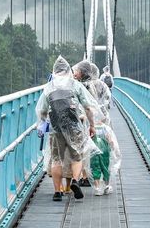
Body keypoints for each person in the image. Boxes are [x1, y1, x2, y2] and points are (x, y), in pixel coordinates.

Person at [36, 56, 99, 201]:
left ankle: (57, 192)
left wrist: (42, 123)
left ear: (55, 71)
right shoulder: (75, 84)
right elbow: (88, 107)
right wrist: (92, 125)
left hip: (55, 128)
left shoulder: (50, 86)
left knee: (56, 159)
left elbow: (42, 110)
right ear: (68, 70)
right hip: (74, 126)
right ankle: (75, 181)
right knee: (77, 156)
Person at [90, 120, 121, 196]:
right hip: (105, 151)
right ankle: (106, 186)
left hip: (94, 151)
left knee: (95, 168)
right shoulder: (106, 128)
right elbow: (111, 141)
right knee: (105, 168)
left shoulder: (90, 127)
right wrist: (115, 151)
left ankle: (97, 188)